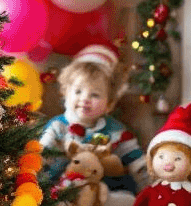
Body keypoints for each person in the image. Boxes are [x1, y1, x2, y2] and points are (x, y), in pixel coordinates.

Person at [39, 42, 149, 195]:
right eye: (78, 91)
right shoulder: (58, 126)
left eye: (95, 95)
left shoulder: (116, 130)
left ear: (109, 104)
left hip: (101, 194)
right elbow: (41, 155)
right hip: (60, 189)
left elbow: (138, 163)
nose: (85, 99)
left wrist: (150, 189)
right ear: (65, 93)